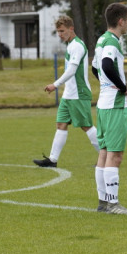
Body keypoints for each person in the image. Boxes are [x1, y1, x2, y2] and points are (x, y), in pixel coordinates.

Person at [33, 16, 98, 168]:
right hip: (69, 95)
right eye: (58, 32)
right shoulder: (70, 45)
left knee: (86, 126)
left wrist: (55, 84)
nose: (60, 34)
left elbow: (72, 70)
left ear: (71, 29)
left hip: (78, 94)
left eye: (62, 31)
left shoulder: (78, 46)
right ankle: (52, 160)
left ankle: (107, 156)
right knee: (61, 124)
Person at [92, 3, 127, 214]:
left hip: (103, 104)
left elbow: (95, 67)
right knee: (115, 155)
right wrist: (122, 87)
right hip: (114, 105)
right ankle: (113, 204)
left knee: (104, 152)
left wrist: (106, 84)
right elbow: (107, 65)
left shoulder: (101, 39)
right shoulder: (111, 42)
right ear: (120, 21)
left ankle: (103, 202)